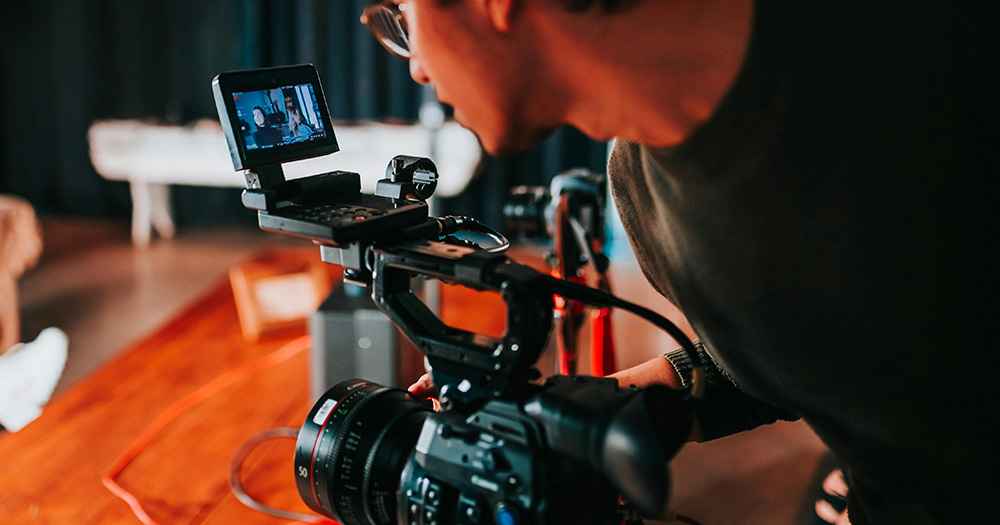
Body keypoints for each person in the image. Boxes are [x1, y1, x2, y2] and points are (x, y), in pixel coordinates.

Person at [373, 1, 996, 523]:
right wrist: (579, 417)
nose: (417, 66)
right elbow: (824, 350)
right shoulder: (642, 185)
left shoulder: (933, 42)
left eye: (405, 14)